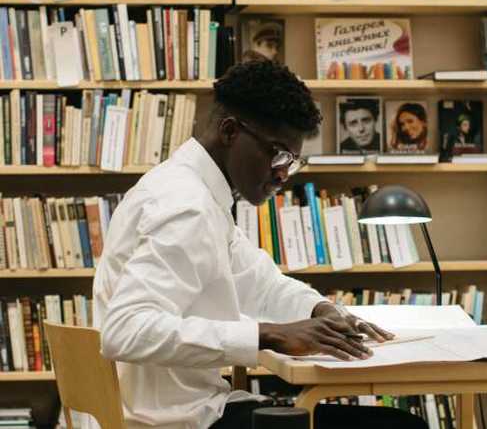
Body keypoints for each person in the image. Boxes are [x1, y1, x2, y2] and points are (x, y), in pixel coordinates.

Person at [94, 60, 427, 428]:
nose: (283, 173)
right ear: (230, 131)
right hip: (180, 421)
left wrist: (319, 310)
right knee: (401, 426)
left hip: (189, 410)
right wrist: (268, 335)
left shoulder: (194, 192)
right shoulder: (186, 208)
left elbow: (261, 284)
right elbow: (124, 329)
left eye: (292, 161)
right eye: (278, 154)